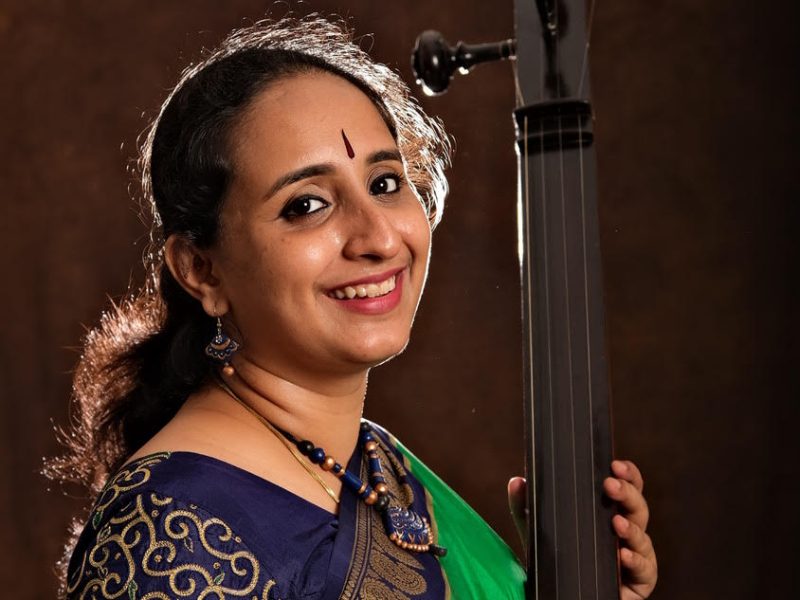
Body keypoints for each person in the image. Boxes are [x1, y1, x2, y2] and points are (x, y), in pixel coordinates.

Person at [51, 15, 657, 600]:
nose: (379, 238)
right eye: (306, 205)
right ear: (200, 269)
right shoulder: (170, 538)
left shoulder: (375, 466)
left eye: (385, 184)